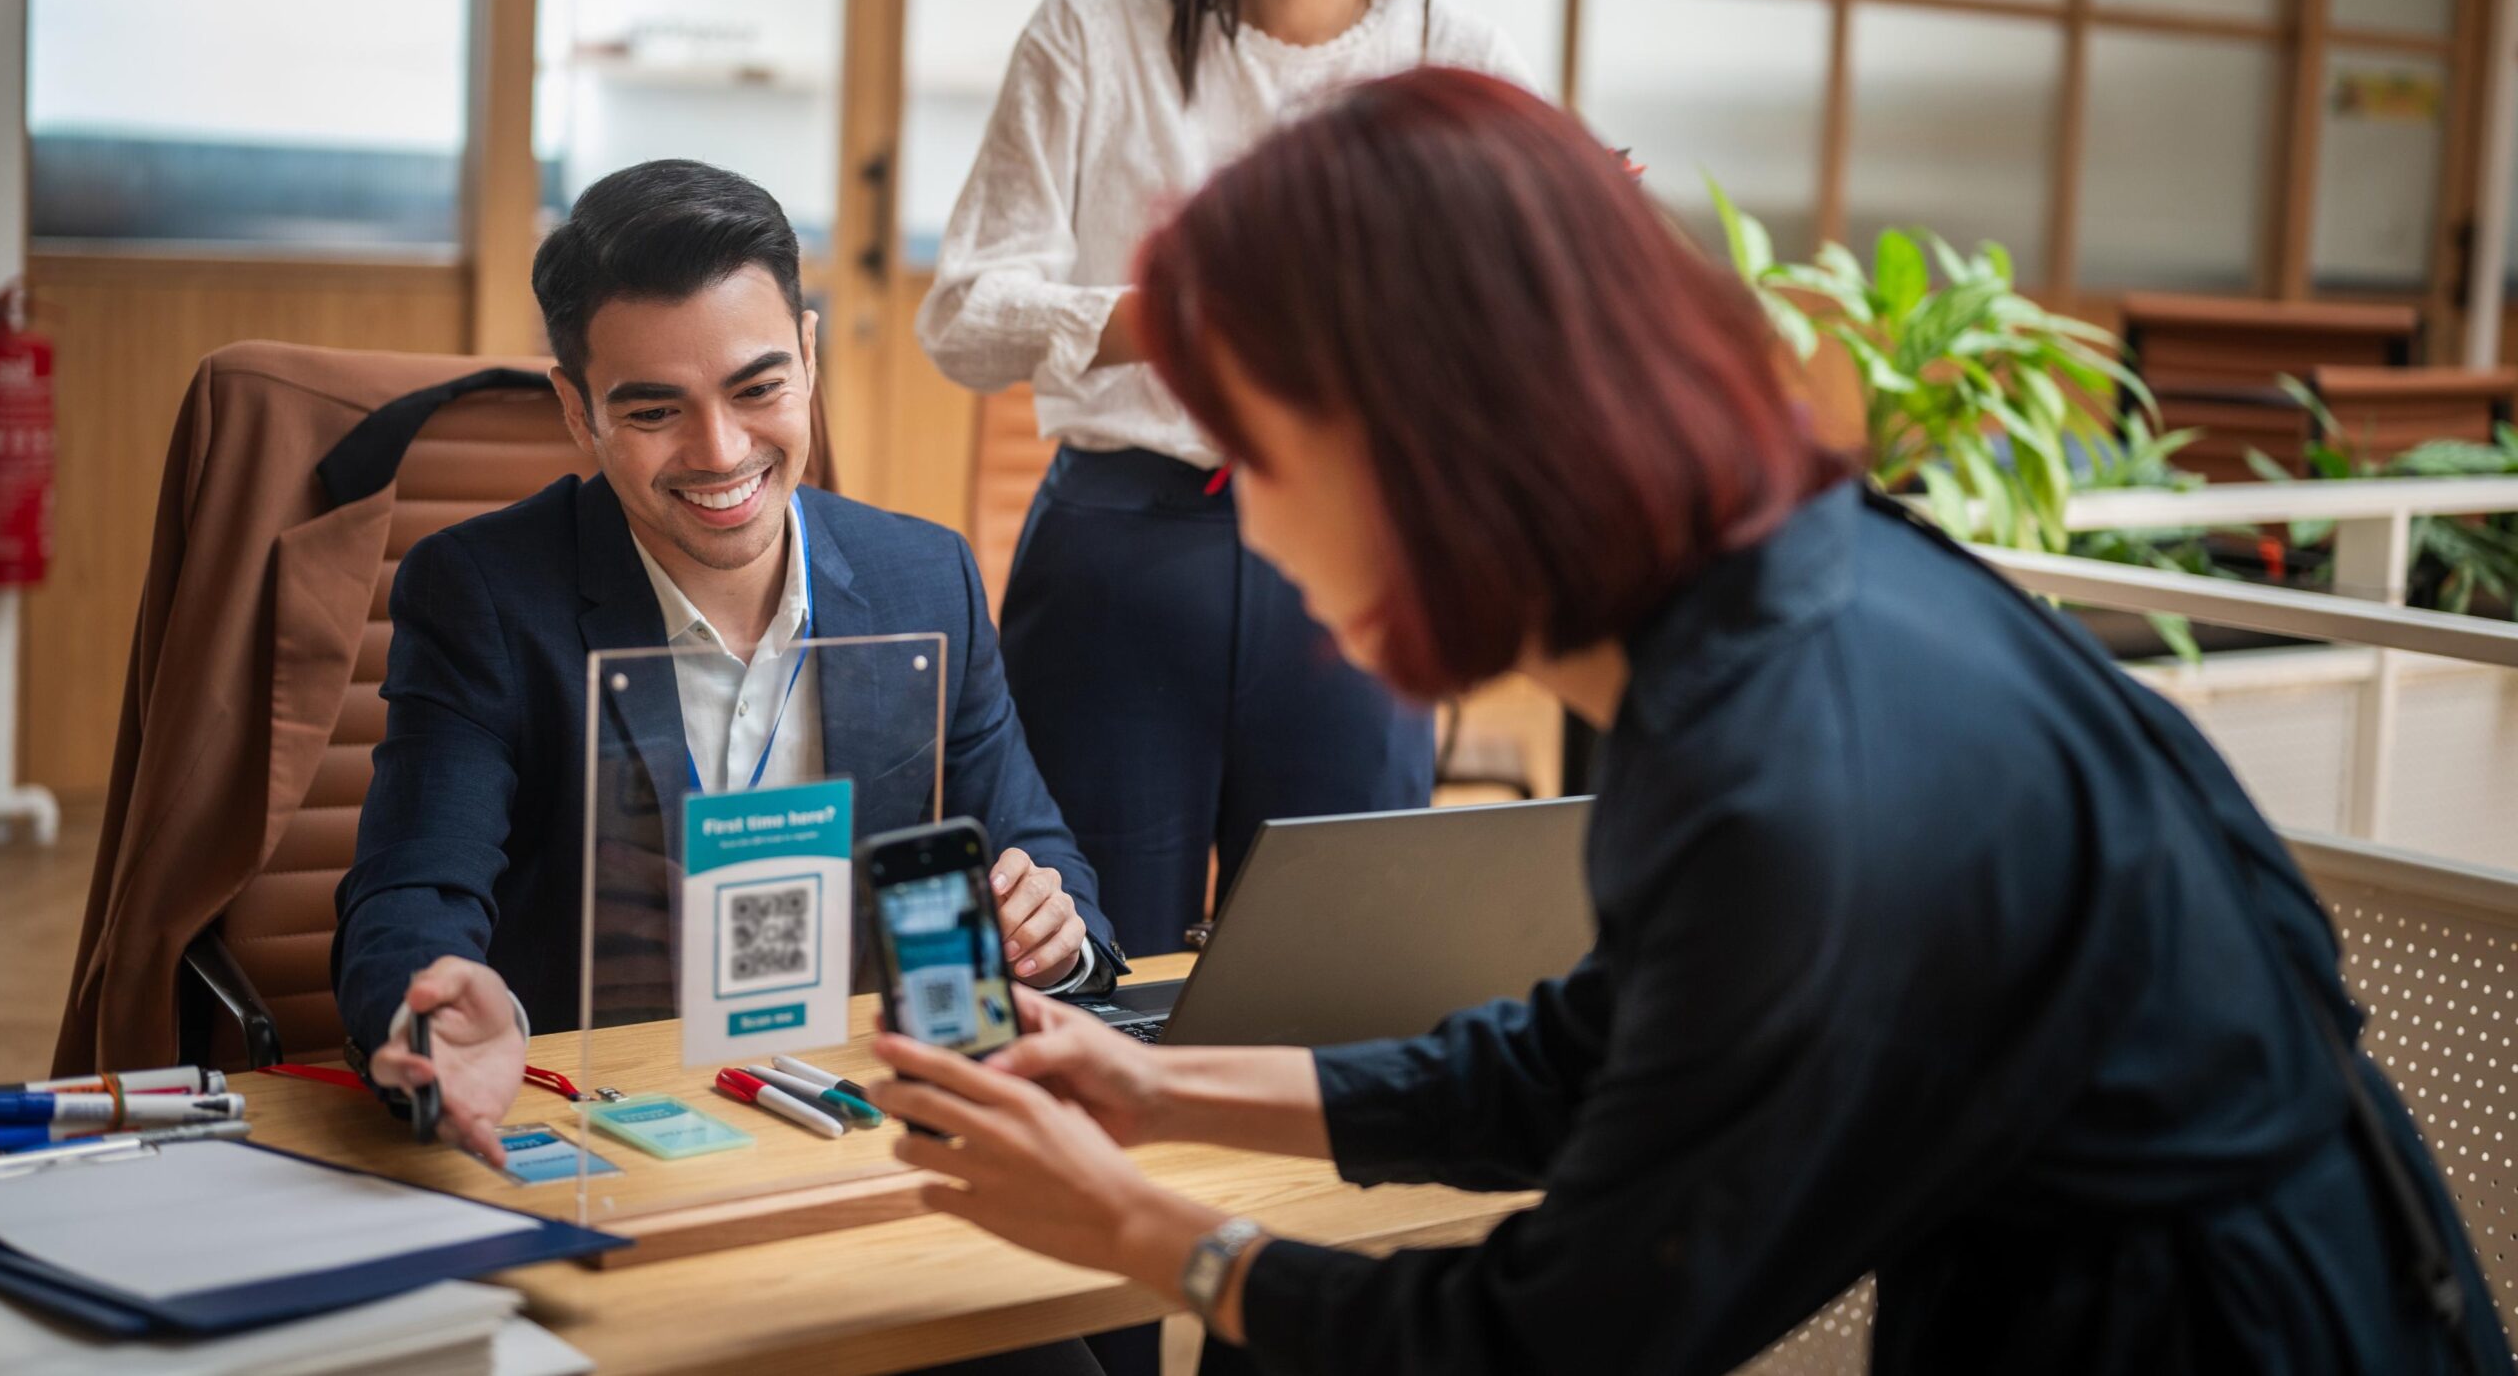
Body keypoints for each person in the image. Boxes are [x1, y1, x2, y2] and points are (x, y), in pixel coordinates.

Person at [863, 69, 2512, 1376]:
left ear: (1442, 432)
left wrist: (1149, 1235)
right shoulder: (1769, 597)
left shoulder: (1801, 758)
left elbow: (1559, 1335)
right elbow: (1589, 1054)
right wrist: (1168, 1092)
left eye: (1264, 452)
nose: (1255, 526)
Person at [332, 160, 1128, 1167]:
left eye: (759, 387)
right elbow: (412, 892)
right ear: (577, 411)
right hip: (610, 1137)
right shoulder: (484, 595)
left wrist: (1054, 937)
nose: (719, 452)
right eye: (655, 411)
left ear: (807, 353)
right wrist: (434, 1011)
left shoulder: (924, 578)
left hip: (862, 1126)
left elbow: (1043, 862)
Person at [916, 0, 1534, 960]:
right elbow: (962, 318)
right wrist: (1185, 316)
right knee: (1079, 960)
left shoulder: (1464, 60)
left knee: (1340, 976)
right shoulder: (1095, 22)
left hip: (1361, 563)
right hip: (1120, 559)